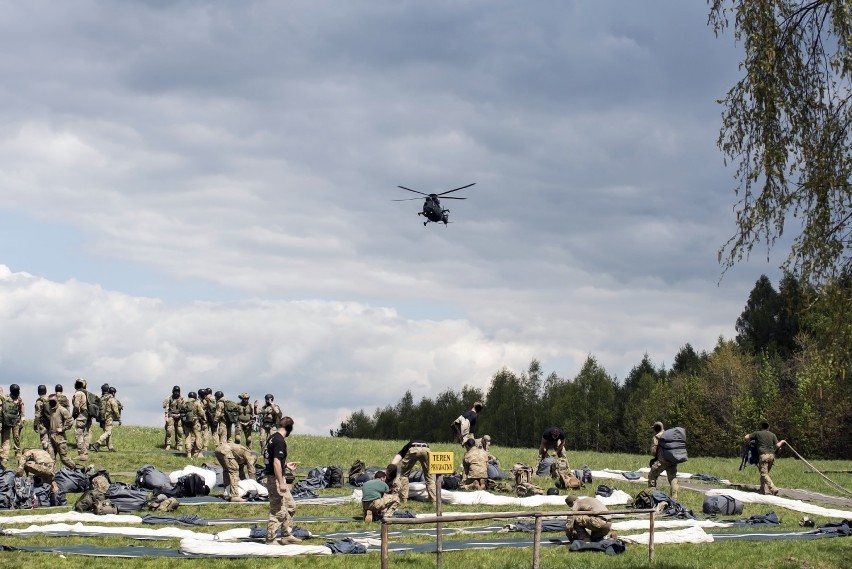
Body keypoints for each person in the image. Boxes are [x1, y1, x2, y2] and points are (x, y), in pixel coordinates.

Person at [263, 416, 301, 545]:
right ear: (289, 428)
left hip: (276, 476)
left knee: (290, 506)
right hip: (275, 479)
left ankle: (286, 534)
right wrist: (281, 482)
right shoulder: (279, 440)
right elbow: (275, 463)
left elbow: (275, 460)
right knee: (278, 510)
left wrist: (286, 466)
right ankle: (270, 538)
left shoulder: (272, 438)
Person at [744, 421, 787, 495]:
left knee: (764, 474)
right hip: (771, 456)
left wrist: (749, 435)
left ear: (761, 427)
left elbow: (746, 437)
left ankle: (773, 488)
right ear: (768, 427)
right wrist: (782, 441)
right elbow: (777, 445)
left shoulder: (757, 433)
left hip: (763, 455)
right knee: (765, 474)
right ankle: (762, 490)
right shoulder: (772, 435)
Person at [390, 438, 436, 503]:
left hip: (413, 449)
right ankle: (434, 501)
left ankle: (403, 499)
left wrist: (390, 468)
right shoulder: (424, 443)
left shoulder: (406, 447)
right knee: (429, 477)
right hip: (426, 449)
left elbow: (397, 459)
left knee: (404, 475)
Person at [648, 422, 679, 500]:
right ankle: (674, 498)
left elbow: (654, 452)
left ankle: (651, 495)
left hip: (662, 461)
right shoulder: (669, 436)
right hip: (672, 461)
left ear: (656, 429)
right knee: (672, 478)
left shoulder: (657, 437)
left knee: (652, 475)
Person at [47, 394, 76, 470]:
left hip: (60, 438)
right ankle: (51, 476)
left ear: (57, 401)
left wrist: (63, 429)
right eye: (49, 401)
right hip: (51, 437)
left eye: (52, 401)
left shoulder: (62, 410)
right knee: (50, 460)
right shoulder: (50, 409)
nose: (51, 403)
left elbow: (70, 420)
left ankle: (77, 470)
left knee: (64, 459)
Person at [93, 383, 121, 452]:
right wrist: (118, 418)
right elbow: (115, 409)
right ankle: (98, 443)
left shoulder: (102, 398)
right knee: (108, 432)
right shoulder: (111, 398)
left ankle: (110, 448)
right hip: (108, 417)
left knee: (108, 432)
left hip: (102, 418)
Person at [71, 378, 93, 462]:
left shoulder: (78, 393)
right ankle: (85, 451)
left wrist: (75, 414)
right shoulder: (87, 393)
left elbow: (76, 405)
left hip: (81, 416)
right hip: (88, 416)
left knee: (78, 433)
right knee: (87, 433)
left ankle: (81, 453)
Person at [181, 392, 205, 458]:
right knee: (198, 437)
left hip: (186, 423)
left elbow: (181, 412)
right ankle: (198, 453)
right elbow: (202, 413)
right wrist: (204, 420)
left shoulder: (184, 403)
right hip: (195, 422)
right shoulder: (197, 403)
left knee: (187, 438)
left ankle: (188, 453)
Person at [6, 384, 26, 458]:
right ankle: (5, 453)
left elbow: (22, 410)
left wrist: (22, 418)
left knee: (16, 436)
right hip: (7, 420)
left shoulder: (19, 399)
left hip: (16, 420)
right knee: (6, 438)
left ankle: (17, 451)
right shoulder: (7, 399)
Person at [163, 386, 184, 451]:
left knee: (180, 431)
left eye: (178, 391)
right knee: (169, 430)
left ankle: (179, 445)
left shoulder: (182, 399)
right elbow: (166, 408)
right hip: (171, 415)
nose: (176, 393)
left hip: (179, 416)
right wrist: (166, 417)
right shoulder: (169, 399)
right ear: (173, 391)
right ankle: (168, 444)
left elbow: (184, 408)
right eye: (175, 391)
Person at [33, 385, 51, 453]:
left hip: (43, 423)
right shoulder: (51, 399)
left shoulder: (39, 402)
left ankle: (46, 454)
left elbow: (37, 415)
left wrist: (35, 425)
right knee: (51, 440)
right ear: (46, 391)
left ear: (38, 392)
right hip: (52, 422)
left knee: (44, 439)